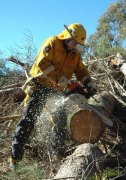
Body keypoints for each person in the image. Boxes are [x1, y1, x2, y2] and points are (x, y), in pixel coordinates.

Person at [9, 23, 96, 170]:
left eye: (77, 44)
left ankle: (56, 154)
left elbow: (80, 70)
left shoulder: (75, 53)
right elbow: (42, 64)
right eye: (73, 41)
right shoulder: (52, 43)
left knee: (60, 120)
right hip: (40, 85)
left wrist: (88, 82)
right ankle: (15, 158)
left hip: (57, 89)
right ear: (67, 36)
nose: (75, 45)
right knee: (29, 119)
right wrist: (62, 80)